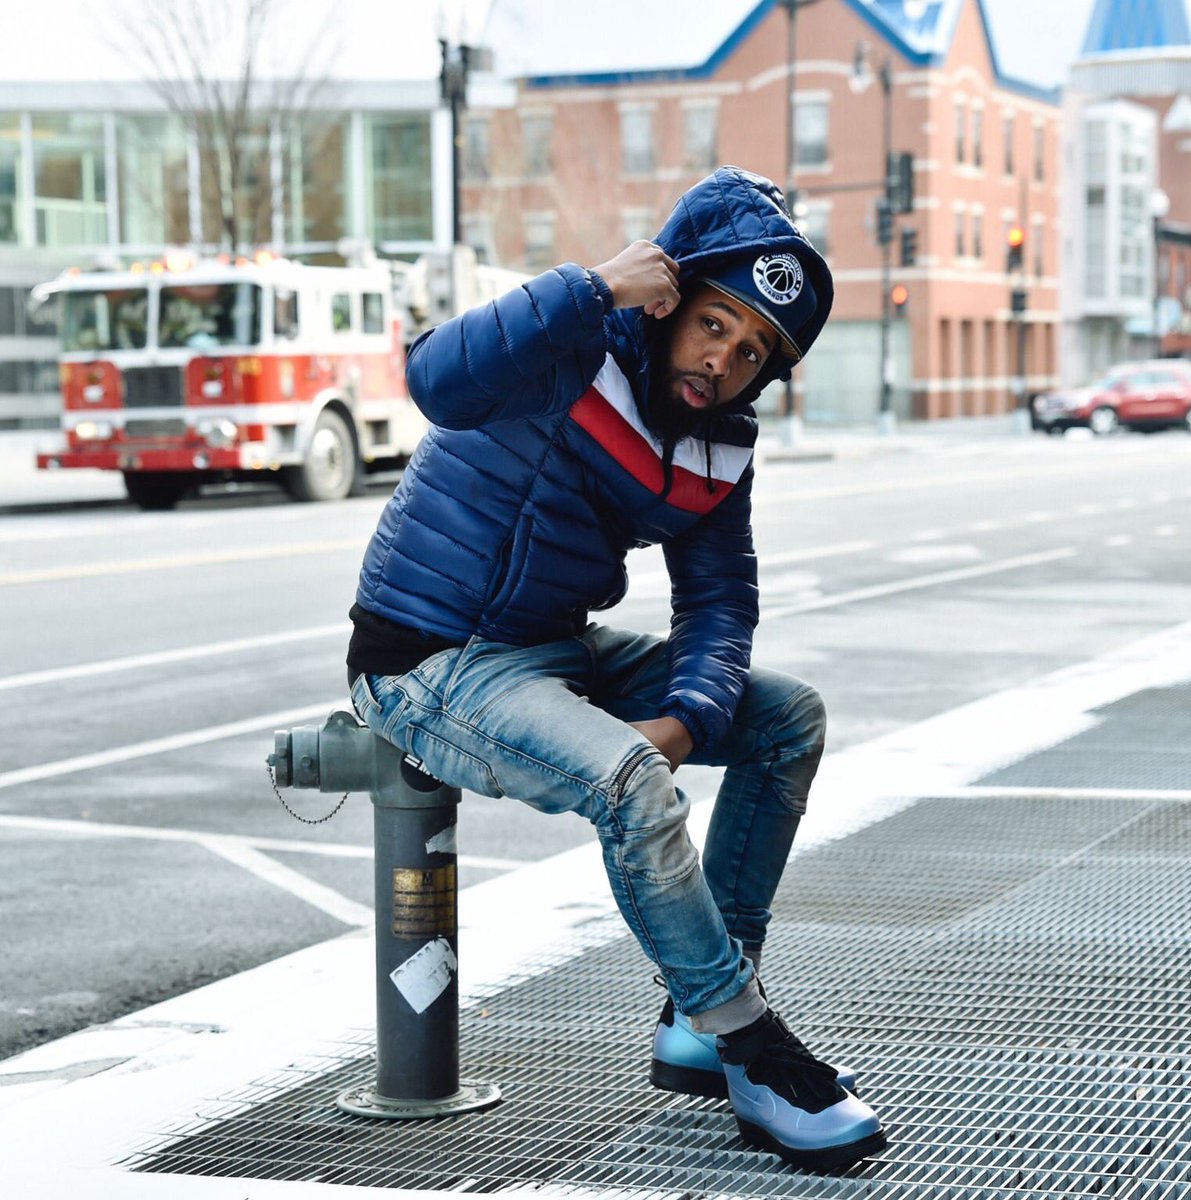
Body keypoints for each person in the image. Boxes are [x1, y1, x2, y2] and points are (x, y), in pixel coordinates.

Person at [346, 166, 886, 1172]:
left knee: (785, 719)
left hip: (552, 651)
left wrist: (687, 715)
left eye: (754, 349)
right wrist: (590, 287)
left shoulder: (720, 445)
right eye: (717, 324)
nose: (726, 359)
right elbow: (433, 381)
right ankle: (752, 1044)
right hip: (430, 655)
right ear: (673, 297)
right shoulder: (572, 342)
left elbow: (721, 601)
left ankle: (697, 1013)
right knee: (629, 783)